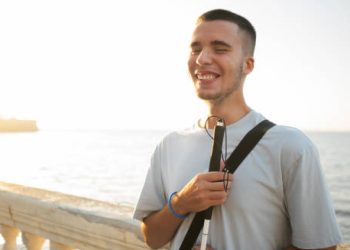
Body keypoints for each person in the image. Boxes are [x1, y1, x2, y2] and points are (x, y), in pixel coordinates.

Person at [133, 9, 343, 250]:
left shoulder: (291, 146)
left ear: (248, 64)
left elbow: (322, 248)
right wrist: (181, 203)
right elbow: (152, 238)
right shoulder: (169, 145)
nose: (202, 59)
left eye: (220, 48)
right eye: (195, 48)